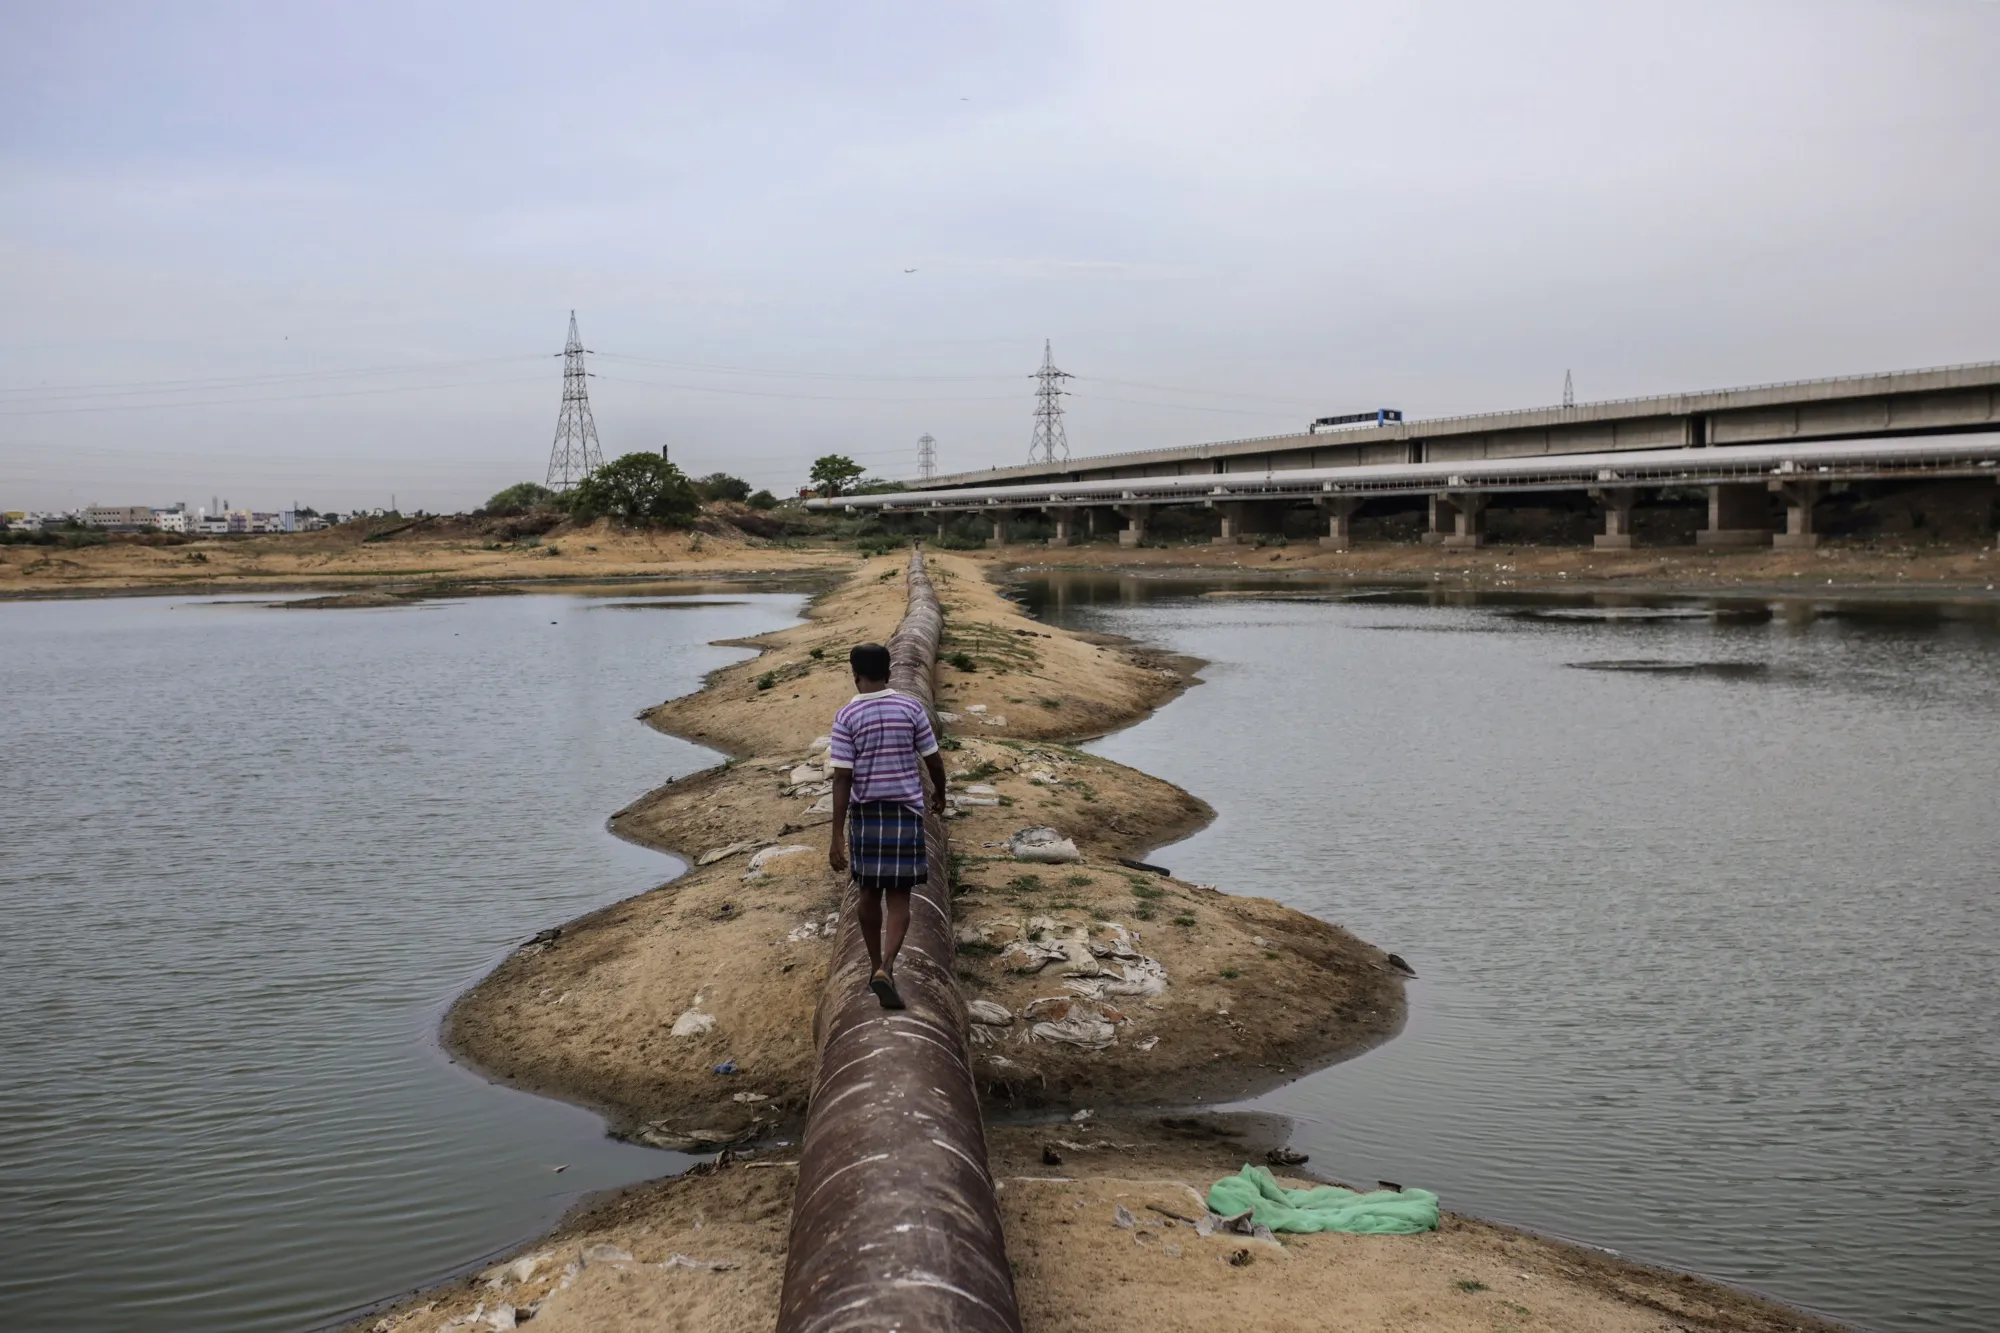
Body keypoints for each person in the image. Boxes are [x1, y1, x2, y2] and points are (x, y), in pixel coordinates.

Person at [826, 642, 948, 1009]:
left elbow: (842, 778)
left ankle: (875, 963)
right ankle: (889, 967)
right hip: (906, 810)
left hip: (866, 814)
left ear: (854, 674)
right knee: (899, 896)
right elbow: (934, 760)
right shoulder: (911, 708)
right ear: (890, 672)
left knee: (867, 893)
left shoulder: (846, 717)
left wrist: (835, 835)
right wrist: (940, 793)